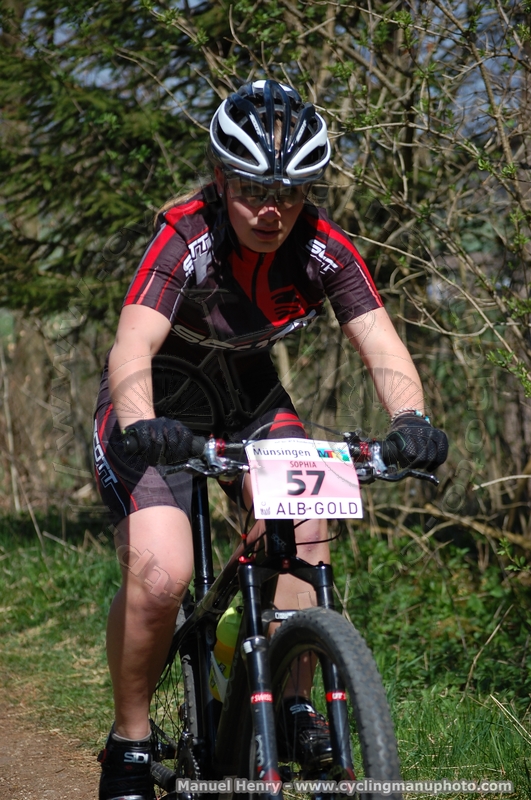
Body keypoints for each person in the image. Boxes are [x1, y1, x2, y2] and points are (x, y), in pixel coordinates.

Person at [93, 79, 448, 800]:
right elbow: (132, 344)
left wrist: (410, 421)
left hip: (249, 399)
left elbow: (380, 342)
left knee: (307, 530)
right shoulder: (187, 234)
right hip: (157, 401)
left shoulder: (321, 247)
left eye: (290, 192)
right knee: (161, 575)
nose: (271, 208)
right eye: (254, 188)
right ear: (221, 177)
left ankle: (291, 697)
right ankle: (130, 739)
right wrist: (141, 422)